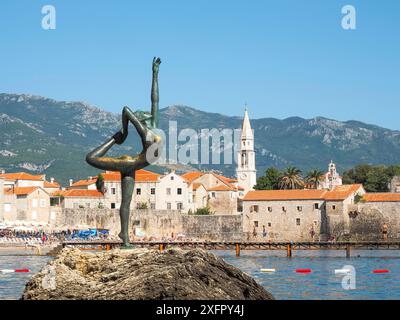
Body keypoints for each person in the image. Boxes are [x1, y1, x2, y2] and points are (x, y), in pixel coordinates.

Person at [86, 58, 163, 247]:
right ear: (142, 118)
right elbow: (126, 110)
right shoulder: (145, 130)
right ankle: (113, 138)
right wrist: (124, 132)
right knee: (90, 158)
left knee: (126, 203)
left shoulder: (152, 126)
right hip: (130, 163)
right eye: (143, 114)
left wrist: (154, 74)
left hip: (134, 164)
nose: (147, 113)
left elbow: (155, 99)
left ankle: (124, 236)